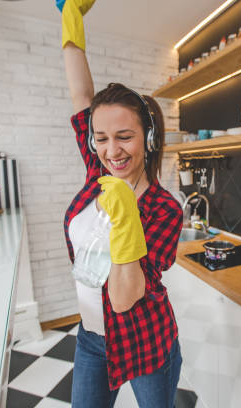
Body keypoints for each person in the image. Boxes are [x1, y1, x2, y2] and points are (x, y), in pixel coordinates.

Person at [58, 1, 184, 407]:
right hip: (91, 339)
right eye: (102, 138)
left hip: (146, 340)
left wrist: (127, 213)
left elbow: (123, 298)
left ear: (147, 138)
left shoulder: (164, 210)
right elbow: (81, 93)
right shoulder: (99, 173)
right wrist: (70, 20)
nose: (112, 151)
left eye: (124, 136)